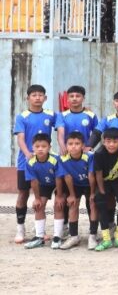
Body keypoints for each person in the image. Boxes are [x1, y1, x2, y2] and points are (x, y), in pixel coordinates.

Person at [14, 84, 57, 243]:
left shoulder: (51, 115)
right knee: (23, 193)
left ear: (45, 98)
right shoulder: (22, 116)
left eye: (40, 95)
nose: (37, 97)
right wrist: (27, 154)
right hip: (26, 162)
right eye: (34, 95)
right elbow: (20, 138)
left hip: (44, 163)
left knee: (43, 196)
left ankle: (41, 231)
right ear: (28, 98)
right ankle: (20, 229)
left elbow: (62, 126)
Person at [91, 127, 118, 251]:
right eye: (108, 141)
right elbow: (98, 173)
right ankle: (106, 239)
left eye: (115, 141)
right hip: (104, 181)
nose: (111, 144)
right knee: (101, 203)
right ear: (103, 142)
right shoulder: (98, 153)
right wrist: (102, 191)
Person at [57, 131, 95, 249]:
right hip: (75, 185)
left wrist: (93, 193)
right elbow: (67, 177)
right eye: (70, 144)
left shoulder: (90, 156)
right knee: (73, 204)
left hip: (89, 185)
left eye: (77, 143)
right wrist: (72, 195)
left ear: (83, 146)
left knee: (93, 204)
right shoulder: (62, 159)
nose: (73, 146)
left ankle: (93, 235)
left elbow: (91, 176)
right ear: (66, 146)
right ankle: (74, 236)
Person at [22, 133, 60, 249]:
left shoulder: (55, 159)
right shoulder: (30, 162)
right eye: (37, 146)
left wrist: (59, 195)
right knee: (39, 206)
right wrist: (37, 198)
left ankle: (57, 237)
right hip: (43, 184)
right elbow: (33, 181)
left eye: (43, 146)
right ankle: (39, 237)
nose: (40, 149)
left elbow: (60, 178)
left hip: (58, 184)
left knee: (58, 205)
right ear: (32, 147)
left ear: (49, 147)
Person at [56, 85, 98, 155]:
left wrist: (90, 146)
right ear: (67, 99)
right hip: (67, 151)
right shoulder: (62, 115)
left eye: (78, 96)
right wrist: (62, 146)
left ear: (83, 98)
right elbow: (60, 133)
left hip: (85, 152)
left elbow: (96, 134)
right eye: (71, 96)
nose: (74, 99)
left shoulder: (91, 115)